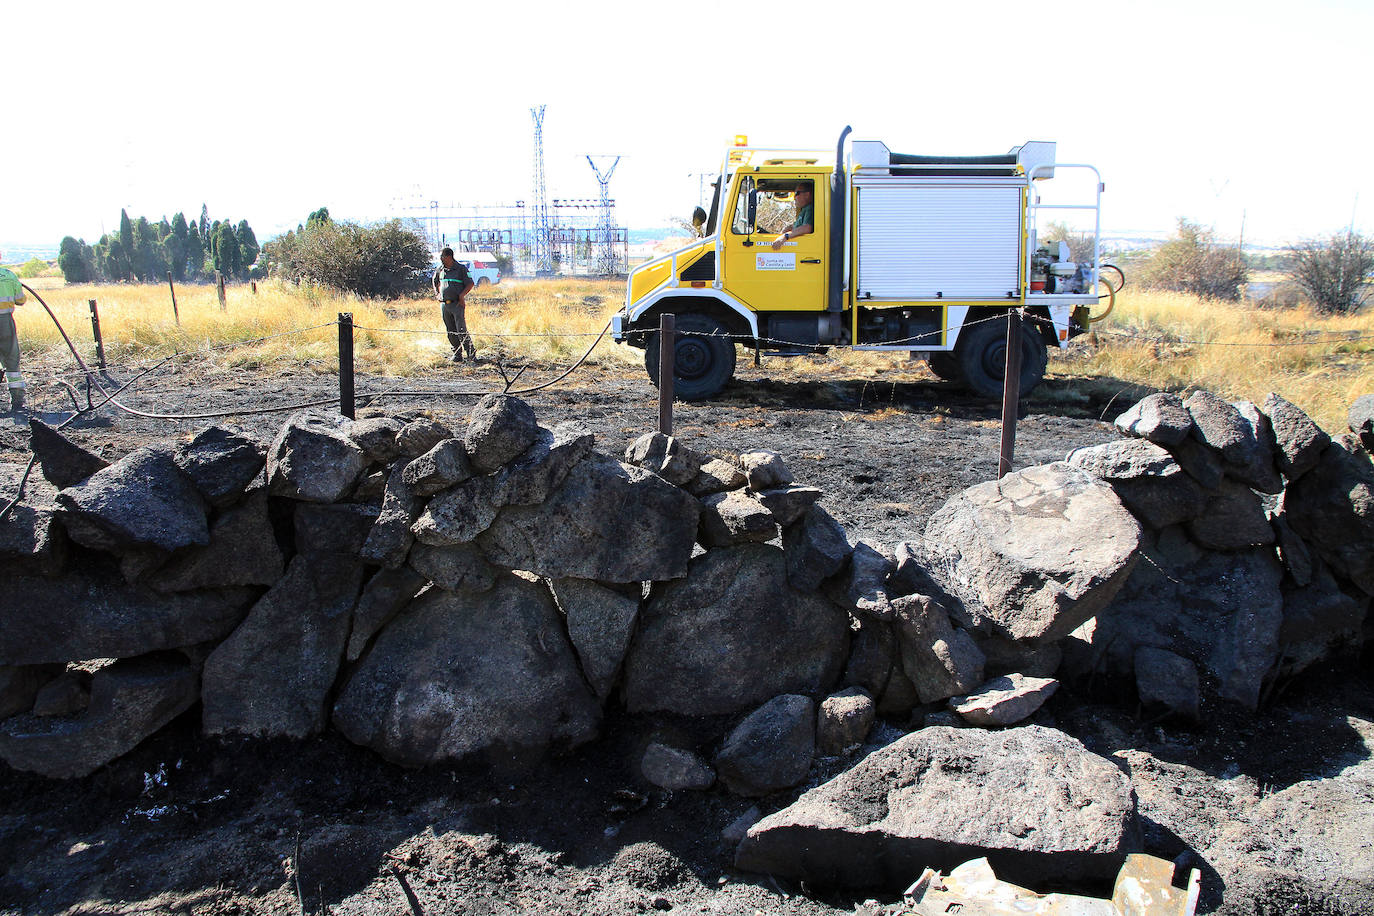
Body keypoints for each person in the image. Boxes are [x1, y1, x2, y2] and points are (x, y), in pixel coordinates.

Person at [432, 247, 476, 362]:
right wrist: (437, 294)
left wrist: (461, 296)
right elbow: (434, 281)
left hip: (457, 304)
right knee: (450, 331)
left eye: (443, 257)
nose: (441, 259)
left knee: (461, 329)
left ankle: (471, 354)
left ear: (449, 257)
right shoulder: (440, 269)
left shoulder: (460, 269)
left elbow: (470, 283)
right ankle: (457, 354)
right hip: (444, 305)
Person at [0, 250, 26, 412]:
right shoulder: (10, 276)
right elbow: (20, 300)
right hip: (6, 323)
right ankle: (17, 399)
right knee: (11, 360)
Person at [770, 182, 814, 250]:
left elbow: (807, 228)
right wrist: (789, 228)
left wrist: (785, 236)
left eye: (797, 193)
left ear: (807, 194)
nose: (794, 197)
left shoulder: (810, 208)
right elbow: (800, 225)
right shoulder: (804, 210)